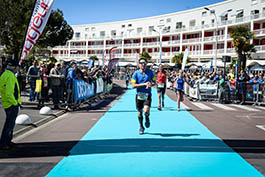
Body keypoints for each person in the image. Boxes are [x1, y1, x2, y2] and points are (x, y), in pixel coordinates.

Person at [0, 59, 22, 150]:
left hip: (7, 102)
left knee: (10, 123)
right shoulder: (10, 76)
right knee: (9, 124)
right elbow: (9, 92)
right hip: (10, 103)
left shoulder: (6, 74)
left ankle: (8, 141)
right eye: (17, 67)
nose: (18, 68)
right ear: (14, 67)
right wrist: (15, 103)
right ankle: (4, 143)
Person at [131, 57, 156, 135]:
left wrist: (151, 84)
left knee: (146, 110)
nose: (143, 64)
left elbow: (155, 82)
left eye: (144, 63)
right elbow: (133, 85)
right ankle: (141, 127)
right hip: (139, 95)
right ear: (139, 64)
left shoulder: (150, 72)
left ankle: (147, 117)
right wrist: (144, 84)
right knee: (139, 113)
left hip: (147, 95)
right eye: (141, 63)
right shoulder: (135, 73)